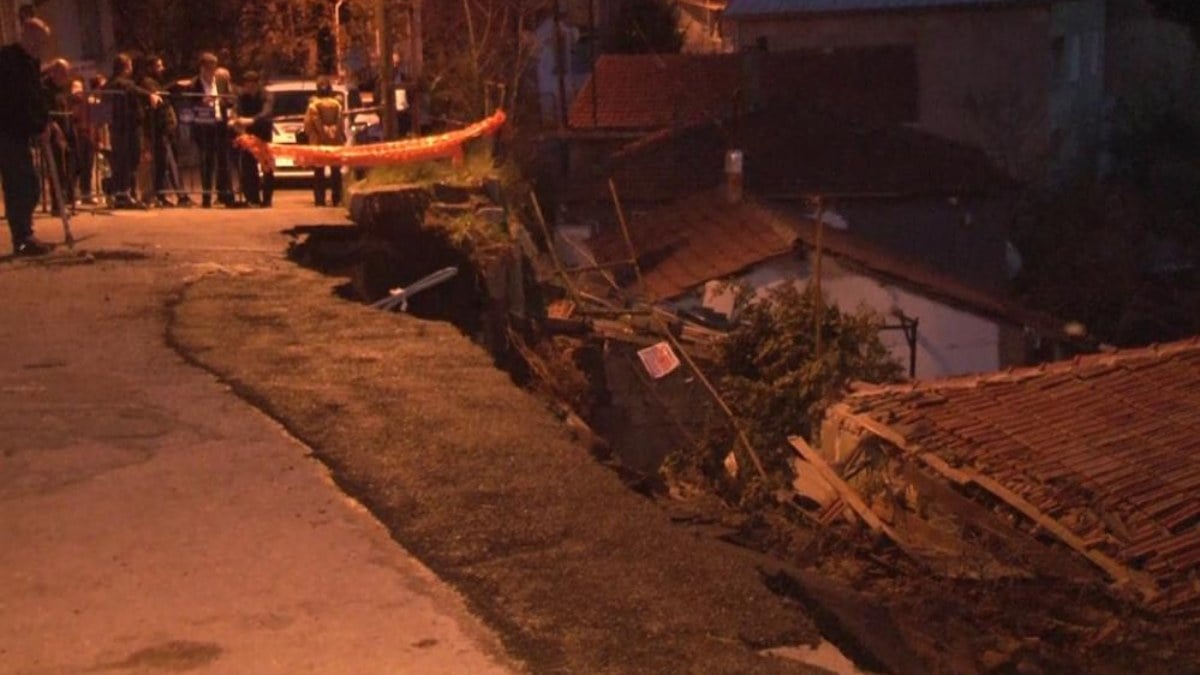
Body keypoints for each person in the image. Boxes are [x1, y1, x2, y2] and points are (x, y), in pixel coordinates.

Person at [0, 18, 52, 256]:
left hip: (19, 132)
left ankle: (24, 234)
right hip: (7, 130)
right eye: (40, 40)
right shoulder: (8, 59)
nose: (41, 46)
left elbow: (35, 96)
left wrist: (43, 122)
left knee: (27, 184)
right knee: (20, 183)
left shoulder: (32, 62)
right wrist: (34, 123)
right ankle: (22, 237)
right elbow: (15, 99)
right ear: (29, 35)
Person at [102, 53, 161, 209]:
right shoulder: (121, 83)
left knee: (122, 161)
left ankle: (122, 193)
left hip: (118, 128)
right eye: (130, 65)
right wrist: (150, 96)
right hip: (127, 127)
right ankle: (123, 194)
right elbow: (132, 89)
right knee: (130, 160)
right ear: (126, 66)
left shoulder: (109, 84)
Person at [186, 53, 234, 207]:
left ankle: (225, 196)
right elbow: (189, 105)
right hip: (204, 126)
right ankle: (206, 197)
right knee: (207, 161)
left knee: (223, 161)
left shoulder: (221, 80)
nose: (213, 71)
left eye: (214, 67)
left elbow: (230, 98)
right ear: (202, 68)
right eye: (209, 68)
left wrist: (223, 101)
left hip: (220, 123)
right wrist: (202, 103)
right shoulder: (194, 84)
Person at [139, 55, 185, 207]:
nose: (162, 69)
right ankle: (161, 195)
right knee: (161, 163)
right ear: (151, 68)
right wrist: (175, 85)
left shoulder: (157, 82)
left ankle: (169, 195)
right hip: (157, 129)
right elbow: (159, 95)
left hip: (166, 128)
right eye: (159, 66)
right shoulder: (148, 82)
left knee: (167, 162)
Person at [230, 70, 274, 207]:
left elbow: (267, 112)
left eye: (252, 85)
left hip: (264, 133)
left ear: (257, 84)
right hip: (248, 135)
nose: (249, 88)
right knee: (249, 168)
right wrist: (235, 120)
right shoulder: (242, 96)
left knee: (267, 167)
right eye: (247, 85)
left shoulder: (266, 95)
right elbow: (236, 110)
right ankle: (253, 198)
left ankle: (267, 199)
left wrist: (251, 120)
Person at [303, 76, 344, 207]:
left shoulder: (313, 104)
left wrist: (314, 133)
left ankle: (320, 199)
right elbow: (341, 121)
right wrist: (335, 133)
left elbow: (309, 124)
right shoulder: (337, 104)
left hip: (318, 141)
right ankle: (337, 198)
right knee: (335, 171)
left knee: (319, 172)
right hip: (335, 139)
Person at [41, 57, 74, 214]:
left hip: (64, 130)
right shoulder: (45, 88)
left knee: (67, 168)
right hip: (52, 133)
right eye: (64, 73)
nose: (67, 76)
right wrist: (56, 129)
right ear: (56, 72)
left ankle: (66, 200)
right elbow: (46, 112)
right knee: (57, 169)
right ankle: (57, 204)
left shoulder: (62, 89)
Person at [67, 77, 97, 205]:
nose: (78, 90)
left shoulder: (88, 102)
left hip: (88, 136)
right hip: (75, 136)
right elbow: (72, 117)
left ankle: (87, 194)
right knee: (75, 167)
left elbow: (94, 120)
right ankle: (73, 195)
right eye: (75, 87)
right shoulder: (69, 102)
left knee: (88, 166)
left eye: (80, 87)